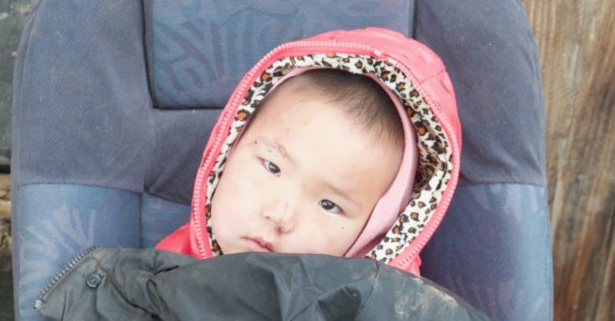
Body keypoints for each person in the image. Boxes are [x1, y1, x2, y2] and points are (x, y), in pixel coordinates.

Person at [157, 26, 462, 275]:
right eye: (272, 167)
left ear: (375, 235)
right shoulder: (162, 271)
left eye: (329, 204)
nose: (280, 215)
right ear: (229, 149)